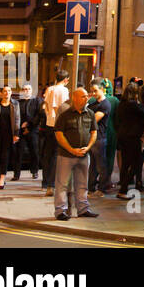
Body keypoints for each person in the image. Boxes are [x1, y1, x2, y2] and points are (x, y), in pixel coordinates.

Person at [53, 86, 99, 220]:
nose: (86, 98)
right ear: (75, 98)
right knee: (62, 184)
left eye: (86, 96)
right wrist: (71, 149)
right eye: (83, 96)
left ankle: (83, 209)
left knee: (82, 184)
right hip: (66, 156)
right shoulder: (65, 115)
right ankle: (61, 211)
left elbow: (93, 132)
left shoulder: (90, 113)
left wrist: (88, 147)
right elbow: (59, 134)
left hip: (84, 155)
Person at [114, 82, 144, 199]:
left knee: (126, 163)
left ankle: (123, 188)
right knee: (138, 162)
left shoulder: (122, 104)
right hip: (132, 137)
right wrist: (138, 102)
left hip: (123, 136)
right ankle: (123, 188)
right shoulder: (134, 105)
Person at [41, 70, 70, 192]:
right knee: (58, 155)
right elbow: (62, 107)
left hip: (49, 123)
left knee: (48, 154)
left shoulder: (50, 89)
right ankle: (53, 184)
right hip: (59, 124)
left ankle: (46, 181)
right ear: (65, 80)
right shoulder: (63, 90)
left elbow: (45, 106)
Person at [86, 80, 113, 196]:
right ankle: (91, 188)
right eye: (91, 91)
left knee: (100, 165)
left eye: (95, 91)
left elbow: (93, 120)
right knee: (92, 164)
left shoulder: (105, 104)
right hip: (92, 138)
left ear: (102, 89)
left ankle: (102, 188)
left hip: (99, 137)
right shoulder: (93, 104)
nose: (93, 93)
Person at [13, 83, 41, 182]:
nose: (26, 91)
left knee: (34, 151)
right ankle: (16, 174)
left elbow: (38, 115)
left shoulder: (36, 101)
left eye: (28, 89)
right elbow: (15, 115)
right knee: (18, 152)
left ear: (31, 91)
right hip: (20, 130)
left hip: (32, 129)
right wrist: (20, 126)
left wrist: (29, 124)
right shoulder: (18, 102)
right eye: (24, 89)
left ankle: (35, 171)